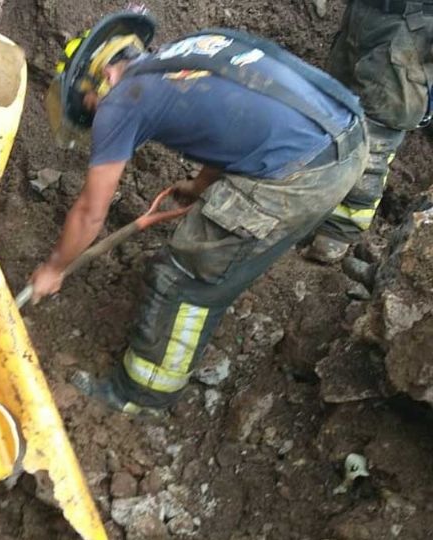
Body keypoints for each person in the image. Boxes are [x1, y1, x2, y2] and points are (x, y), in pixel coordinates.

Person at [28, 12, 367, 414]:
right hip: (349, 133)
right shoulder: (185, 53)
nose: (94, 113)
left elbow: (89, 213)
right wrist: (202, 186)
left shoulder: (120, 102)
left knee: (186, 276)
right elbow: (236, 116)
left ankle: (143, 393)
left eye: (87, 104)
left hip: (308, 175)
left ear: (96, 82)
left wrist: (54, 268)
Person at [303, 0, 433, 263]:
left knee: (375, 139)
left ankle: (336, 235)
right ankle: (305, 210)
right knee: (330, 113)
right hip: (366, 15)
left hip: (411, 31)